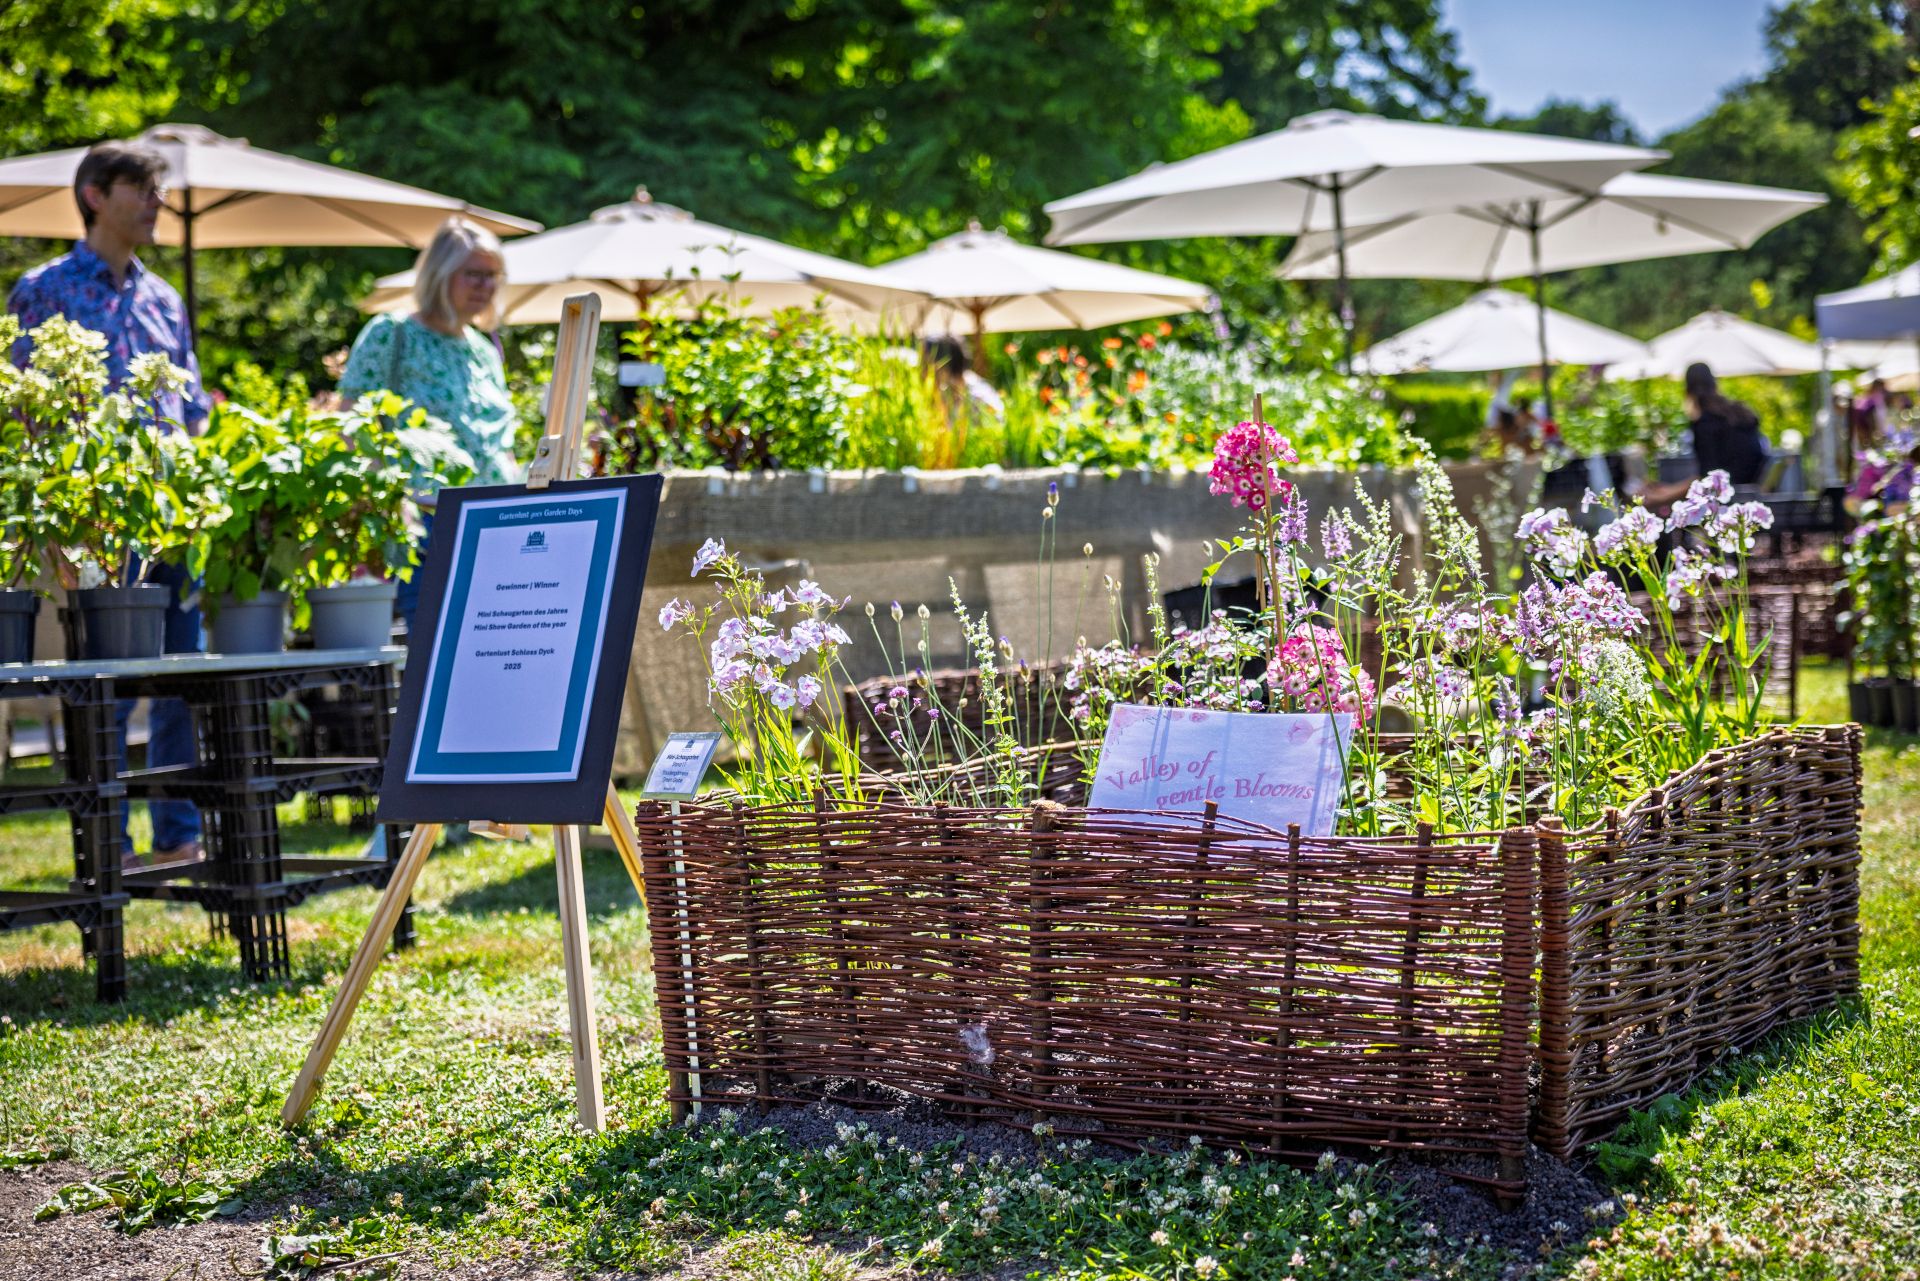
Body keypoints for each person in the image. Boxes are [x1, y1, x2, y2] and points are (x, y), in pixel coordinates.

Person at [7, 141, 211, 868]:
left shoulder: (166, 298)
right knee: (107, 689)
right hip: (95, 521)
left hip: (172, 517)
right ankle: (108, 845)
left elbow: (190, 407)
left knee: (185, 676)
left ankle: (181, 835)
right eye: (144, 190)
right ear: (96, 195)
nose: (158, 203)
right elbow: (25, 408)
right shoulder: (43, 289)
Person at [336, 217, 517, 632]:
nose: (485, 287)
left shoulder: (485, 349)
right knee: (432, 652)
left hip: (493, 532)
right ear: (440, 273)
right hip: (424, 526)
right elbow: (350, 427)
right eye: (473, 273)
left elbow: (499, 444)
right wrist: (387, 502)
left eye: (493, 276)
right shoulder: (392, 333)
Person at [1641, 362, 1769, 504]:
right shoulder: (1738, 411)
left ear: (1687, 389)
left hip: (1728, 499)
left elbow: (1708, 478)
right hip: (1754, 492)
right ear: (1714, 383)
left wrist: (1664, 495)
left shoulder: (1705, 423)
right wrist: (1670, 489)